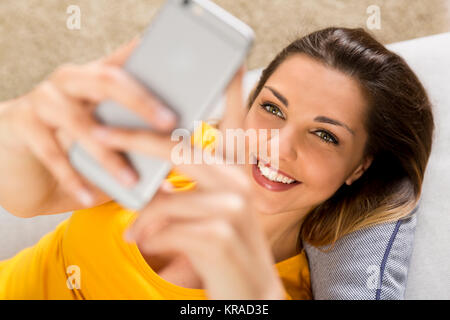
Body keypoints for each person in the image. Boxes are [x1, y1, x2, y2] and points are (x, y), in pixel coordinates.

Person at [0, 27, 434, 300]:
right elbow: (30, 196)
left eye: (325, 135)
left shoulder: (278, 290)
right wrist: (16, 128)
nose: (277, 148)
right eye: (273, 109)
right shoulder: (180, 147)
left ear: (359, 168)